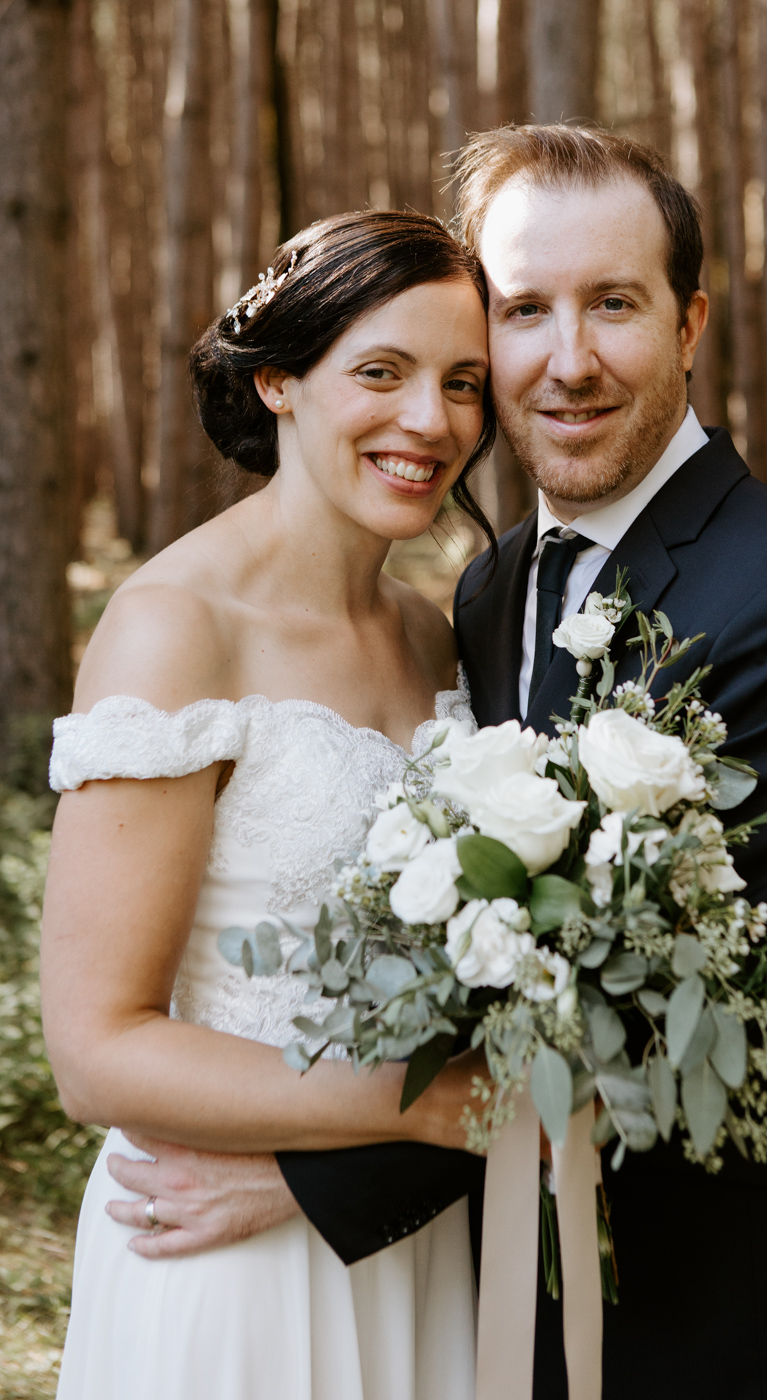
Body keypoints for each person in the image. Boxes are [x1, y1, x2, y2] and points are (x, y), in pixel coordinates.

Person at [93, 127, 767, 1400]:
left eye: (615, 305)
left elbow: (678, 986)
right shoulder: (482, 592)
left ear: (691, 322)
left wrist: (311, 1171)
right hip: (478, 1302)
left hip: (723, 1329)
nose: (569, 359)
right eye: (526, 310)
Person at [41, 209, 496, 1400]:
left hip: (413, 1236)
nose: (431, 421)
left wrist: (430, 1129)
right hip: (224, 1256)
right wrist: (437, 1108)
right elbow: (97, 1050)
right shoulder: (176, 625)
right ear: (281, 377)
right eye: (382, 373)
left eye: (463, 381)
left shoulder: (434, 635)